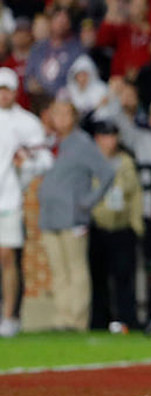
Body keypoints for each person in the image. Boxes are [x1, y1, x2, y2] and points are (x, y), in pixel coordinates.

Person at [38, 100, 116, 331]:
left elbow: (107, 173)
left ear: (74, 116)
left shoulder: (82, 143)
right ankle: (62, 318)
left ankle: (77, 320)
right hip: (50, 215)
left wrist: (89, 201)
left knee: (76, 269)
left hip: (73, 216)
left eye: (65, 113)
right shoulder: (50, 143)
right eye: (56, 113)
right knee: (59, 271)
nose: (60, 118)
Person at [0, 67, 50, 337]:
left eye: (7, 90)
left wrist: (25, 162)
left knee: (7, 256)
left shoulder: (27, 122)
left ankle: (9, 315)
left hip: (10, 198)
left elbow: (44, 161)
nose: (3, 95)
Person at [88, 118, 144, 332]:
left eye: (112, 136)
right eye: (105, 136)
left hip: (122, 226)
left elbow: (135, 195)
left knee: (124, 277)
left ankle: (128, 319)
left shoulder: (126, 162)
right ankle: (99, 321)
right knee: (98, 277)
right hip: (97, 225)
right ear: (97, 139)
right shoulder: (90, 162)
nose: (109, 141)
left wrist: (136, 225)